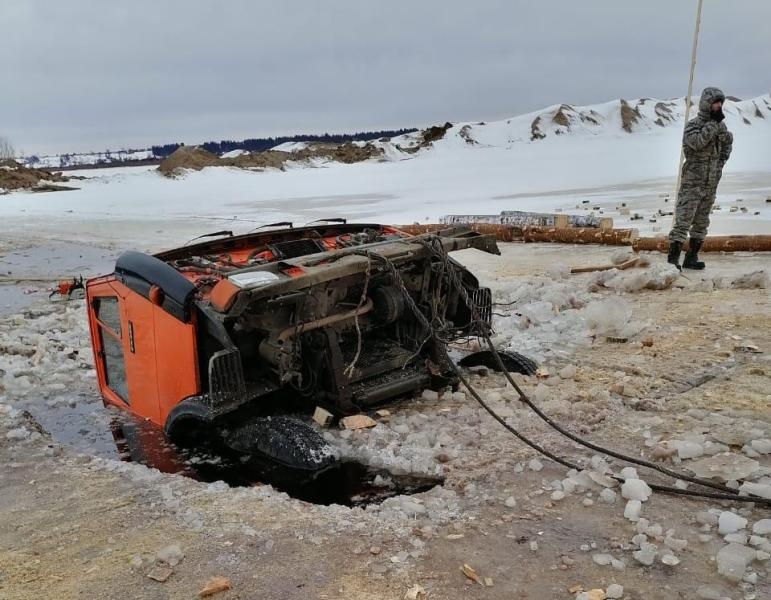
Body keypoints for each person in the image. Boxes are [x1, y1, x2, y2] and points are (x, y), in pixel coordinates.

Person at [667, 87, 733, 270]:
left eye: (720, 103)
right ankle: (672, 261)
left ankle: (691, 258)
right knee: (683, 221)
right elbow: (697, 143)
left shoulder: (720, 126)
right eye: (715, 103)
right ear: (706, 104)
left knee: (702, 222)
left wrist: (719, 165)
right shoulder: (693, 125)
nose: (718, 106)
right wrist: (713, 125)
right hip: (692, 183)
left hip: (710, 183)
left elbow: (727, 144)